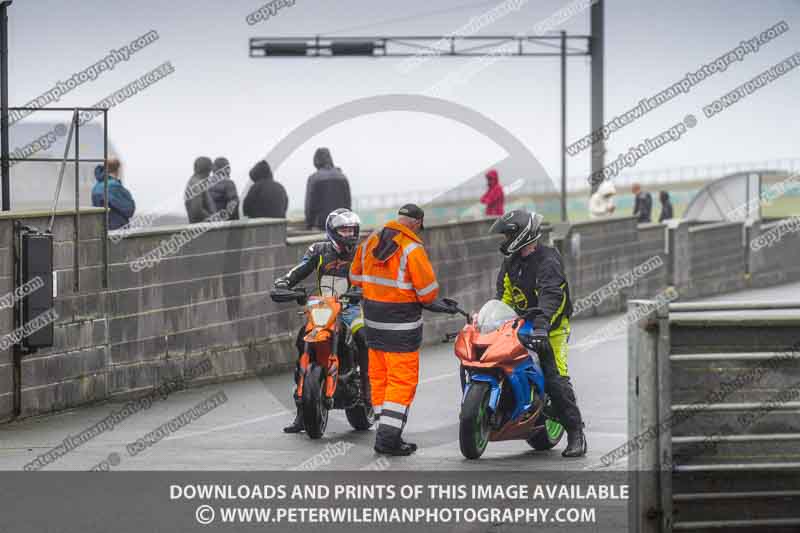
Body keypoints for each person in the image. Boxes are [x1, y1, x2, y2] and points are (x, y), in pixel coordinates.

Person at [490, 210, 587, 458]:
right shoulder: (510, 262)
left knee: (556, 378)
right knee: (498, 361)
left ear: (523, 235)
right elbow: (504, 297)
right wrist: (491, 321)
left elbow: (551, 296)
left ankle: (576, 433)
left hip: (551, 328)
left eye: (508, 235)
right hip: (522, 325)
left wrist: (542, 327)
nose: (505, 240)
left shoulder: (548, 260)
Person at [350, 204, 439, 456]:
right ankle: (388, 440)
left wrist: (377, 290)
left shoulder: (370, 241)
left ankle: (385, 432)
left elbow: (355, 277)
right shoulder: (412, 248)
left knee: (380, 379)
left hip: (373, 324)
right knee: (401, 381)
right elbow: (427, 292)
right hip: (402, 329)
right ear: (417, 223)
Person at [274, 208, 368, 433]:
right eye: (344, 230)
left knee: (363, 338)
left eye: (352, 230)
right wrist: (284, 283)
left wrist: (363, 290)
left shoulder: (362, 253)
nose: (349, 234)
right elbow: (299, 270)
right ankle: (301, 412)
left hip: (350, 308)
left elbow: (372, 276)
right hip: (322, 307)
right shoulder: (318, 250)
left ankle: (368, 392)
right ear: (332, 231)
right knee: (302, 340)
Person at [305, 148, 351, 230]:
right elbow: (348, 204)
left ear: (316, 162)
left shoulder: (314, 178)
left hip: (322, 225)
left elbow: (310, 206)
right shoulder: (343, 177)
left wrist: (309, 225)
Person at [91, 158, 136, 230]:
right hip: (117, 228)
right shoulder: (114, 186)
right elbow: (129, 209)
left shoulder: (96, 186)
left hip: (101, 227)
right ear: (118, 170)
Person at [185, 157, 216, 223]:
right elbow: (197, 211)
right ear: (208, 170)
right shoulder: (197, 184)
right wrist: (214, 220)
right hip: (203, 226)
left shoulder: (196, 182)